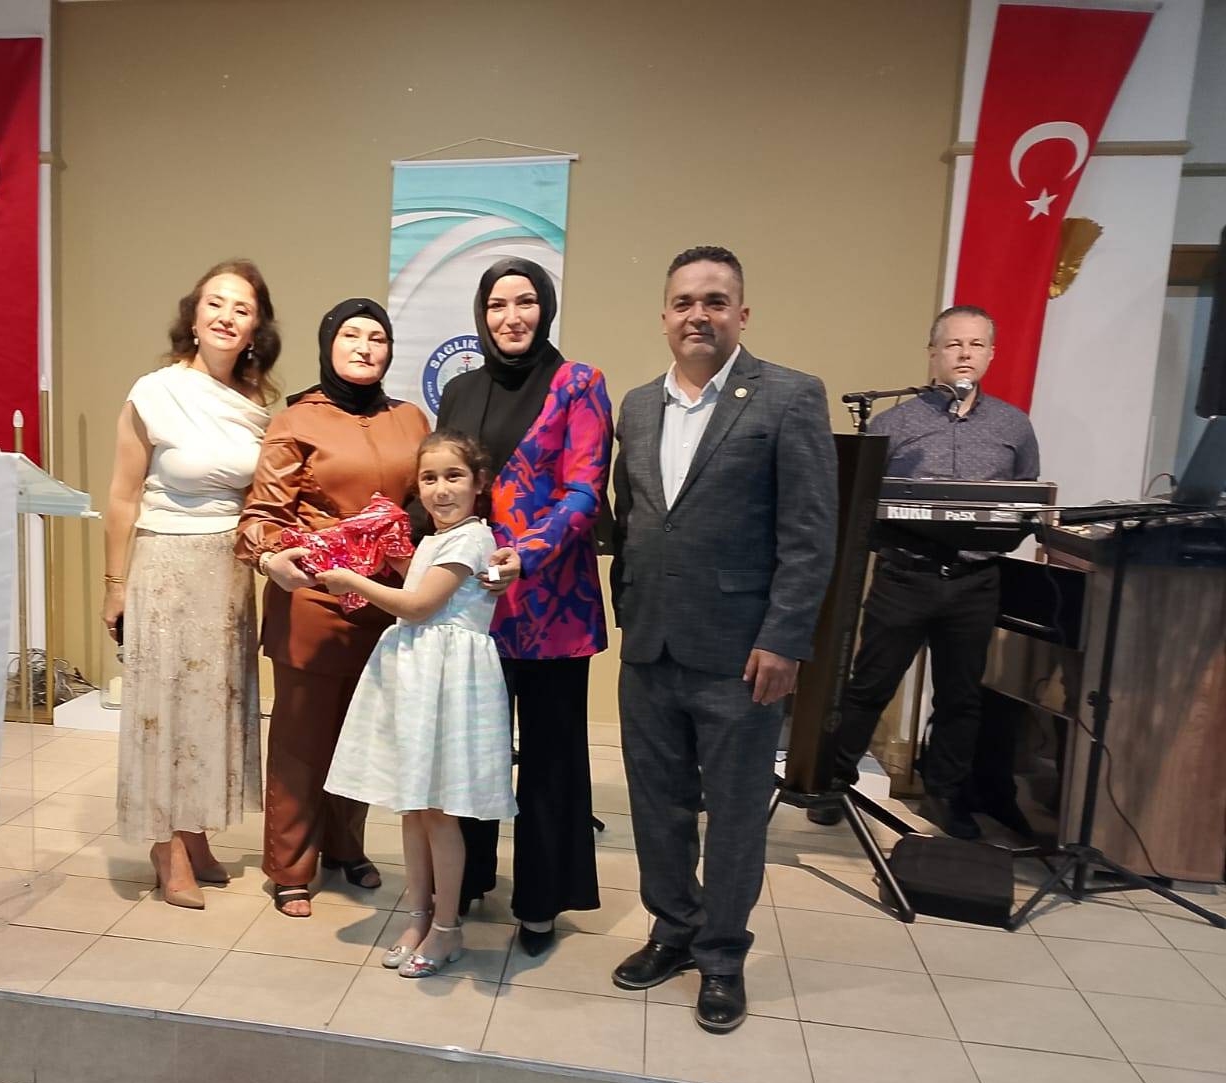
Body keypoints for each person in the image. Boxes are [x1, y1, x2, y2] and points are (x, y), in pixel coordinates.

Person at [609, 246, 837, 1032]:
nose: (697, 315)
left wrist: (785, 638)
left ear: (742, 313)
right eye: (684, 302)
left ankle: (721, 957)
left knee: (736, 814)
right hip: (650, 647)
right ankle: (672, 931)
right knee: (657, 805)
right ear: (664, 316)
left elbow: (810, 534)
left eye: (714, 301)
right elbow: (632, 518)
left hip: (743, 654)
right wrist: (628, 607)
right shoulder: (639, 406)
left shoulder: (789, 397)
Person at [424, 256, 613, 958]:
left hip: (552, 605)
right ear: (481, 314)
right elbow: (446, 488)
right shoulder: (460, 390)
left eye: (526, 302)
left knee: (550, 759)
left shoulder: (579, 383)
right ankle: (469, 877)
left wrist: (524, 554)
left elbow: (584, 491)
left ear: (546, 308)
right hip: (474, 605)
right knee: (472, 749)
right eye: (497, 305)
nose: (512, 317)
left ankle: (540, 902)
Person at [236, 298, 432, 917]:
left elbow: (428, 497)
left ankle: (347, 848)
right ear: (329, 344)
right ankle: (290, 867)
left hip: (385, 602)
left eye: (377, 337)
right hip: (314, 600)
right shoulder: (296, 419)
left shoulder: (411, 419)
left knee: (365, 734)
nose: (364, 347)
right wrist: (272, 558)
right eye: (351, 335)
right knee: (303, 740)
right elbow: (261, 516)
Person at [818, 304, 1040, 839]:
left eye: (976, 344)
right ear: (934, 353)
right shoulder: (893, 423)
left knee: (960, 698)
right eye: (954, 344)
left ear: (991, 354)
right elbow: (866, 504)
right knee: (870, 685)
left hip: (975, 582)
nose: (965, 354)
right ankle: (832, 783)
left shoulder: (1014, 426)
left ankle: (946, 797)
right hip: (905, 577)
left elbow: (1026, 499)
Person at [104, 259, 281, 908]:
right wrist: (115, 583)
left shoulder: (257, 405)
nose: (227, 316)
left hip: (227, 574)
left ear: (256, 327)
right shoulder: (155, 392)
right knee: (166, 710)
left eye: (242, 308)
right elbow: (122, 496)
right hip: (165, 568)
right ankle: (165, 846)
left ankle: (195, 828)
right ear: (194, 315)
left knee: (213, 707)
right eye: (216, 303)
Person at [322, 430, 516, 976]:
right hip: (420, 678)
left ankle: (447, 927)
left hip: (447, 682)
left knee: (439, 811)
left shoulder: (472, 538)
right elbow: (418, 591)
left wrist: (352, 579)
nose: (440, 489)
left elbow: (419, 605)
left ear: (479, 483)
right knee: (414, 806)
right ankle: (419, 915)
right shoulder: (435, 538)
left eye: (454, 476)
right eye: (428, 478)